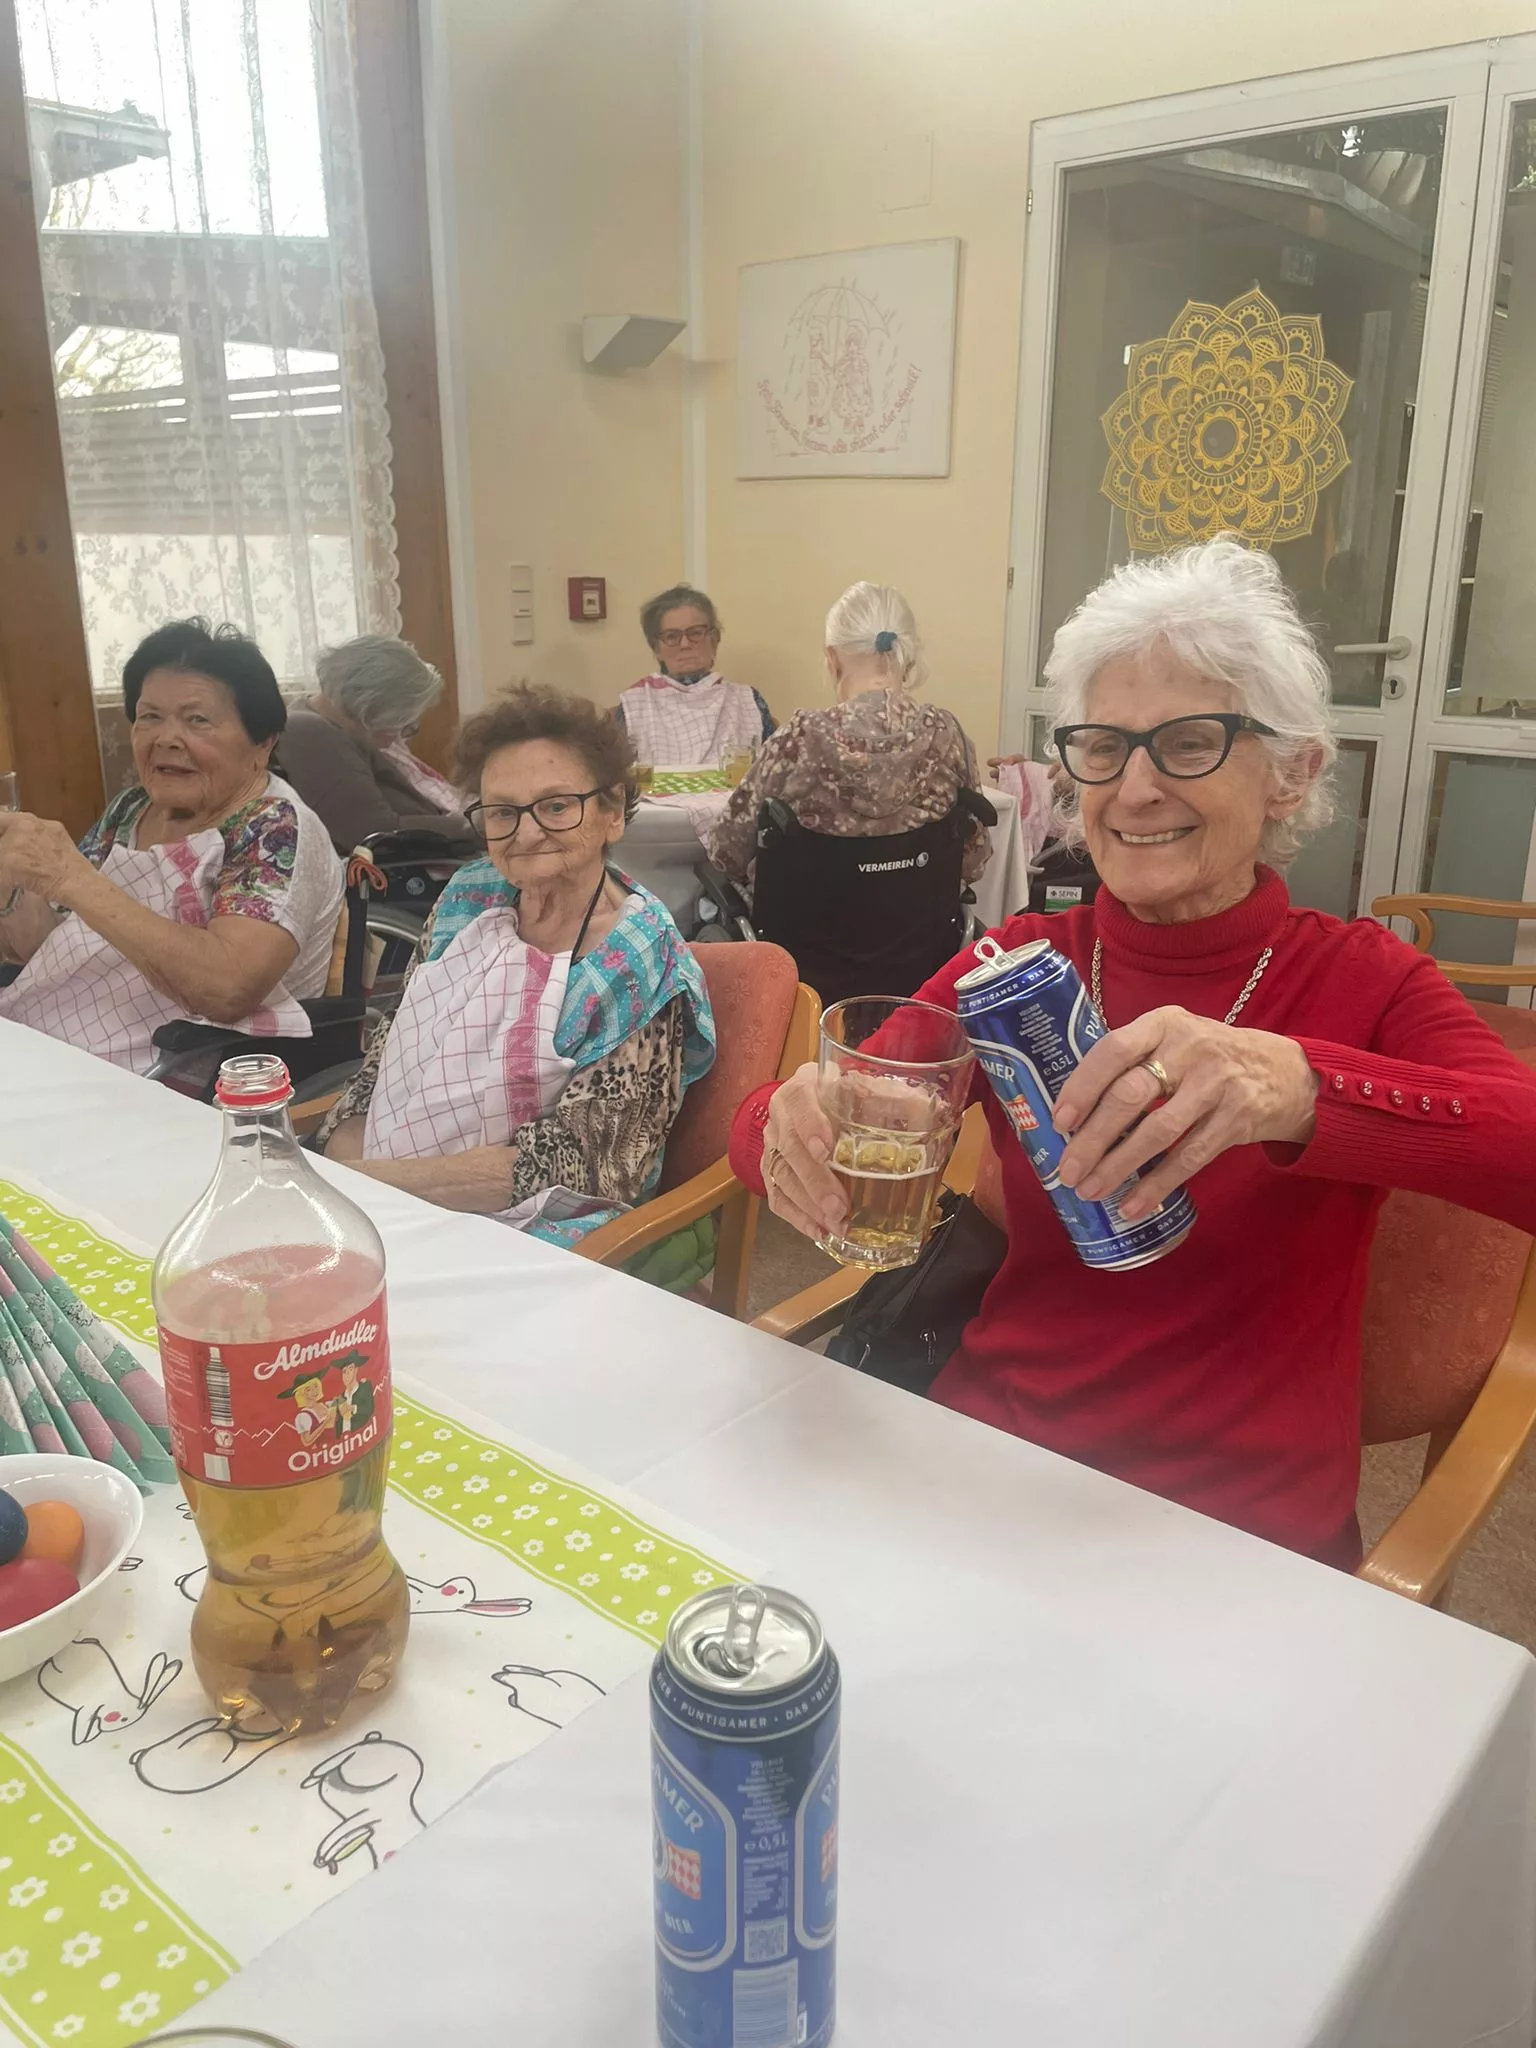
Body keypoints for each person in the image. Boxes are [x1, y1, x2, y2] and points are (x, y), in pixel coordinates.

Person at [732, 538, 1536, 1568]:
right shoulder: (1017, 960)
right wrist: (784, 1124)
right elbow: (809, 1119)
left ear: (1293, 774)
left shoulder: (1363, 979)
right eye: (1104, 747)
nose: (1136, 788)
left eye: (1190, 741)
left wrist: (1298, 1088)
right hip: (988, 1465)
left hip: (1236, 1531)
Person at [316, 683, 715, 1246]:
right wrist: (345, 1172)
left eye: (556, 806)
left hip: (543, 1225)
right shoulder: (468, 895)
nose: (527, 833)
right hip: (388, 1186)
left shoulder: (638, 958)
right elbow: (385, 1064)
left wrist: (367, 1186)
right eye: (503, 812)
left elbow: (590, 1165)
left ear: (612, 813)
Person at [0, 619, 343, 1074]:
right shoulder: (131, 809)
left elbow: (227, 989)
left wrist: (70, 877)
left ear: (263, 742)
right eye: (149, 717)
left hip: (177, 1072)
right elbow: (55, 952)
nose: (165, 739)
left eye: (197, 720)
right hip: (63, 1042)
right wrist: (12, 884)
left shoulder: (275, 828)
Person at [706, 581, 992, 898]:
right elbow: (974, 859)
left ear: (832, 657)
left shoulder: (798, 740)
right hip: (924, 925)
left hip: (807, 926)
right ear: (906, 656)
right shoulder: (948, 735)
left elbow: (727, 852)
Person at [279, 634, 476, 853]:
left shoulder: (334, 728)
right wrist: (473, 824)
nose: (399, 736)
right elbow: (373, 833)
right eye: (402, 722)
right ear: (371, 706)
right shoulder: (311, 733)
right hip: (415, 863)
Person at [617, 585, 774, 768]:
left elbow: (774, 770)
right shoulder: (635, 704)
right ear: (656, 648)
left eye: (696, 633)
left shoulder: (747, 700)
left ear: (714, 639)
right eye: (671, 636)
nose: (685, 644)